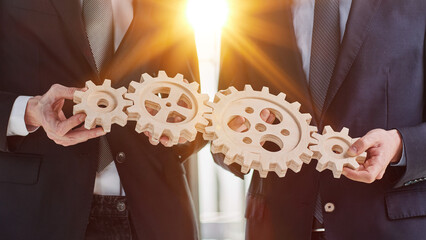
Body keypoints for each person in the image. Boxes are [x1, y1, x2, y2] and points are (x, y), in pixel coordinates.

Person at [215, 0, 426, 239]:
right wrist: (234, 141)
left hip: (386, 228)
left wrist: (400, 146)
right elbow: (222, 131)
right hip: (276, 227)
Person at [0, 0, 204, 239]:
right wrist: (29, 111)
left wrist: (180, 131)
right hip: (39, 211)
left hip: (155, 215)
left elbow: (192, 107)